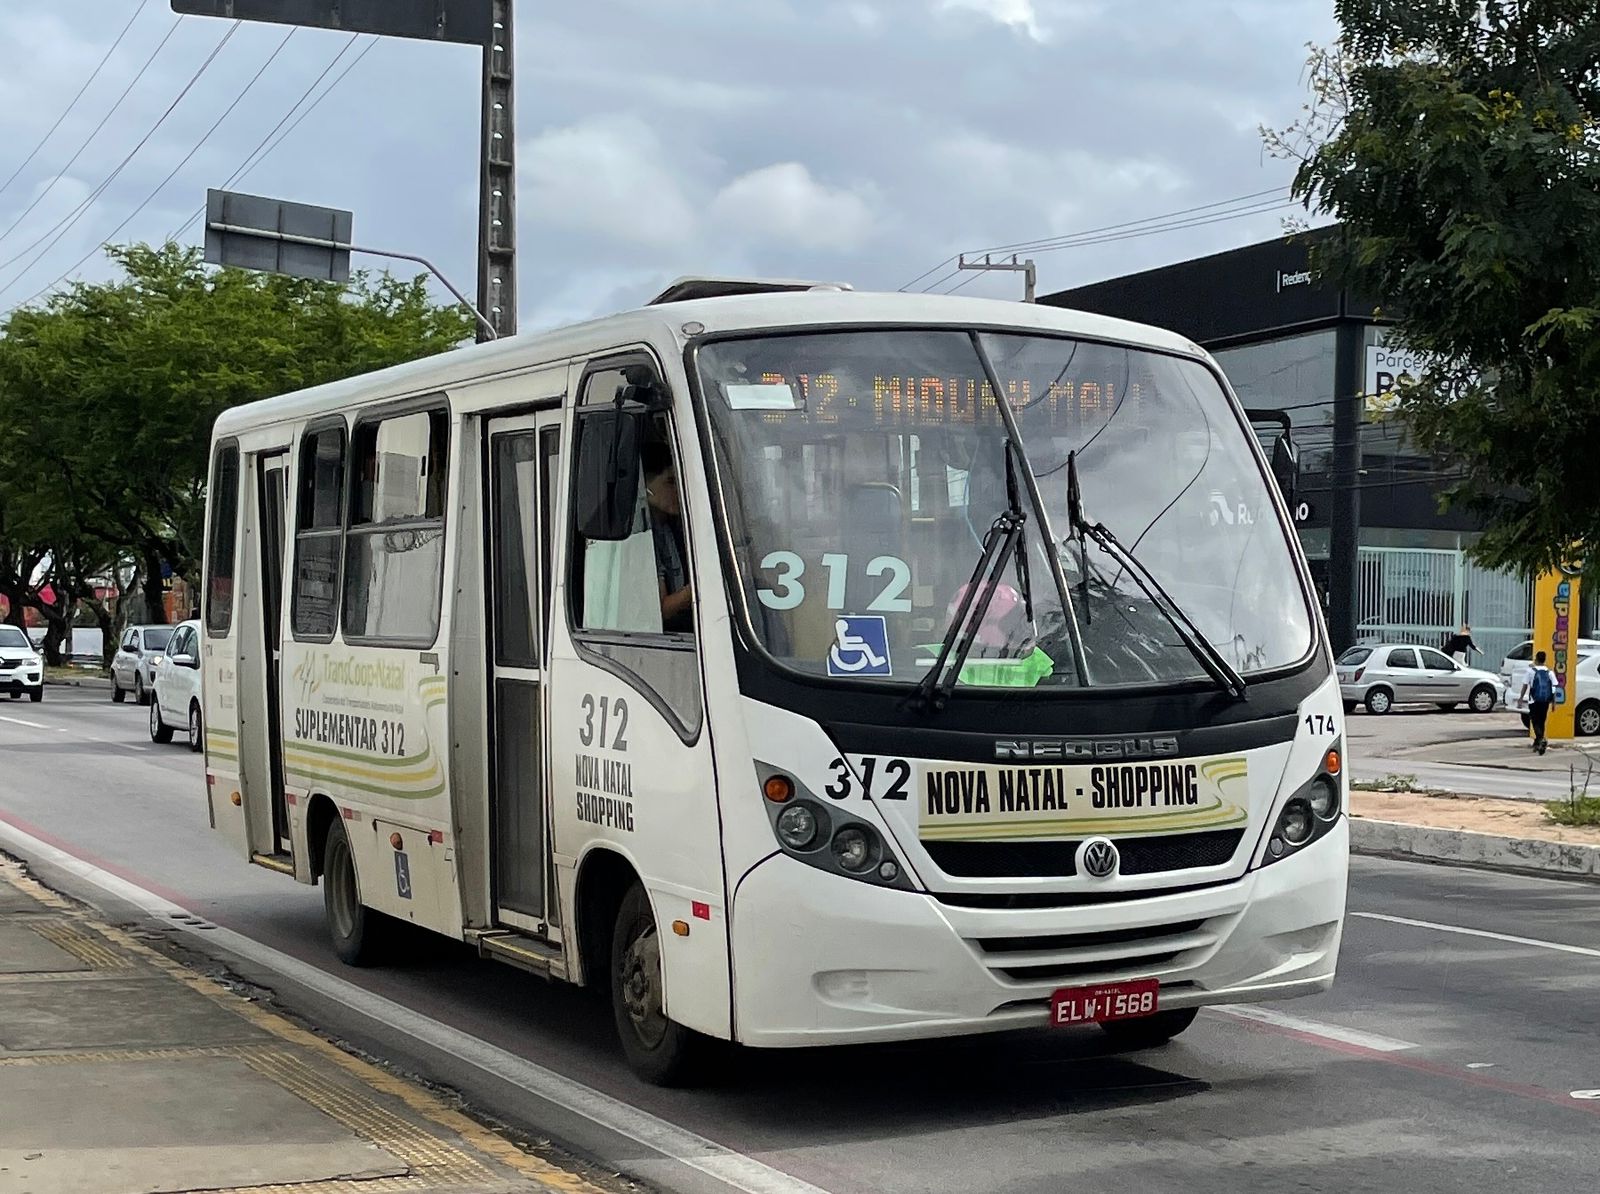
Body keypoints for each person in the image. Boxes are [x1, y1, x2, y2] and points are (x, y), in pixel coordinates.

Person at [642, 442, 693, 634]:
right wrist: (705, 582)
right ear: (646, 483)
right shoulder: (641, 535)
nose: (679, 491)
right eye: (671, 482)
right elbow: (662, 609)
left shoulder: (675, 526)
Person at [1519, 650, 1557, 754]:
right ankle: (1538, 743)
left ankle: (1541, 739)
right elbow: (1554, 688)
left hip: (1533, 700)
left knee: (1535, 721)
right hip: (1545, 701)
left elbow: (1525, 685)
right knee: (1542, 721)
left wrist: (1521, 698)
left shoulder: (1530, 671)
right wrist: (1553, 703)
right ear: (1544, 659)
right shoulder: (1550, 672)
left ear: (1536, 659)